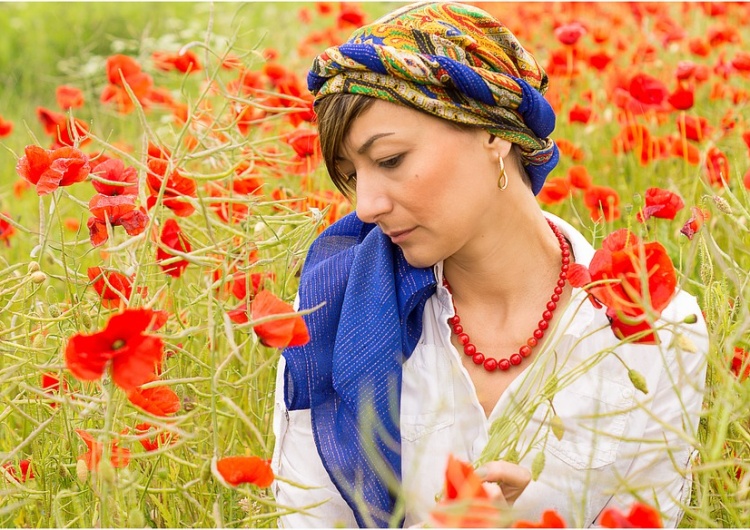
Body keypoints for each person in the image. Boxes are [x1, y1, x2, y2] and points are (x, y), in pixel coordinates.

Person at [271, 2, 708, 528]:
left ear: (493, 130)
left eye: (389, 161)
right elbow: (310, 517)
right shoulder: (331, 309)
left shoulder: (655, 328)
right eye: (351, 173)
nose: (365, 206)